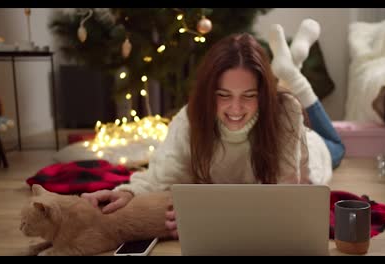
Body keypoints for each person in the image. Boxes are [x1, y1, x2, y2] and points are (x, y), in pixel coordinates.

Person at [82, 19, 344, 239]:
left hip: (315, 152)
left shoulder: (285, 112)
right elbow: (161, 178)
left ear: (263, 95)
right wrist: (125, 192)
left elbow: (286, 196)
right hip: (293, 125)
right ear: (209, 92)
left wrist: (215, 221)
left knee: (337, 146)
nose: (236, 109)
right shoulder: (191, 118)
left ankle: (294, 76)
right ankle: (290, 67)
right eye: (223, 95)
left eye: (249, 95)